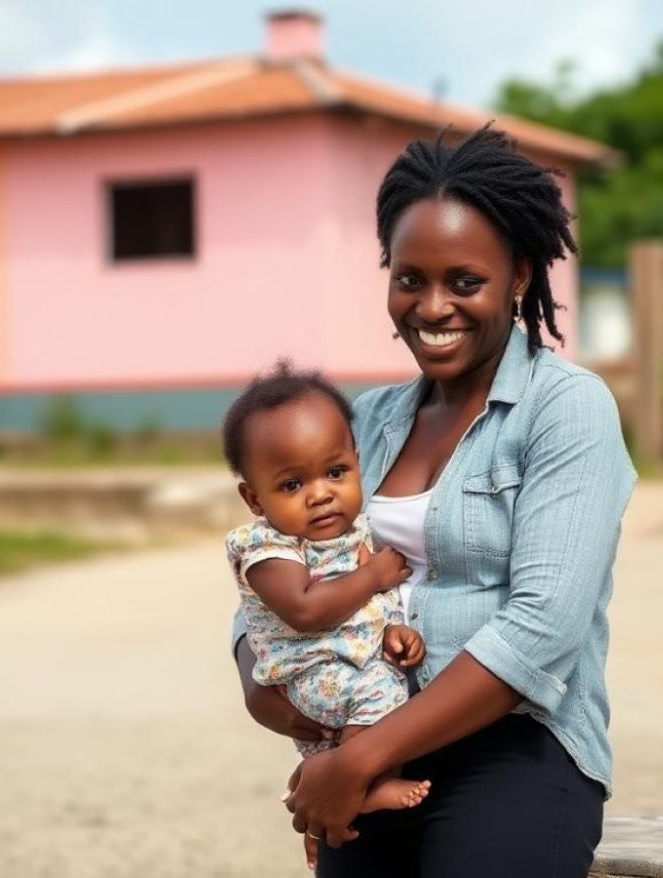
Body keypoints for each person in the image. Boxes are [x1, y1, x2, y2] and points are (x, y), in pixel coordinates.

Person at [232, 124, 637, 877]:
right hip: (367, 743)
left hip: (518, 745)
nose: (432, 306)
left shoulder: (567, 410)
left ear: (518, 275)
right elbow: (280, 577)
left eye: (464, 280)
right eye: (410, 278)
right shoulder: (368, 421)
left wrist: (359, 759)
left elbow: (543, 628)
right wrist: (285, 710)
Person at [222, 362, 433, 819]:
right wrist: (375, 576)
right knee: (382, 696)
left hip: (347, 667)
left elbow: (372, 609)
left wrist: (395, 630)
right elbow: (304, 609)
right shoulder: (266, 548)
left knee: (385, 694)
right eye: (293, 484)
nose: (320, 494)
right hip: (312, 672)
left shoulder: (354, 534)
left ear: (358, 462)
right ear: (255, 499)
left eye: (336, 472)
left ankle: (326, 807)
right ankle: (359, 786)